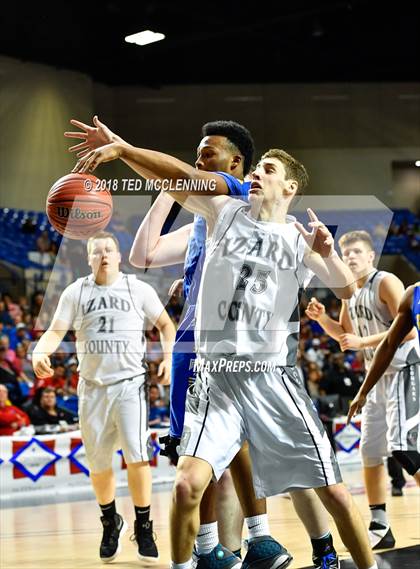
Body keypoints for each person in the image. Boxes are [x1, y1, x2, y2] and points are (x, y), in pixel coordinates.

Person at [72, 142, 377, 569]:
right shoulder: (223, 212)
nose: (256, 174)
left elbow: (347, 288)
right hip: (216, 380)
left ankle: (347, 557)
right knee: (185, 487)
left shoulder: (296, 237)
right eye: (257, 169)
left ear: (289, 187)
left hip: (271, 380)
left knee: (334, 493)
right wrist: (123, 150)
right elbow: (173, 176)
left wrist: (327, 255)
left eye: (267, 170)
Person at [32, 231, 176, 563]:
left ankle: (143, 525)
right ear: (88, 259)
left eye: (109, 250)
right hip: (92, 387)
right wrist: (40, 352)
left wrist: (167, 358)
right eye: (97, 252)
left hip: (130, 384)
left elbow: (166, 325)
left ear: (119, 255)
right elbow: (55, 331)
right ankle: (110, 521)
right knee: (98, 465)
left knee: (138, 457)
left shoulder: (138, 289)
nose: (104, 255)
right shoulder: (75, 292)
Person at [306, 233, 420, 550]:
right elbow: (345, 336)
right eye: (346, 253)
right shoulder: (348, 294)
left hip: (404, 370)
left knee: (404, 450)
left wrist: (361, 343)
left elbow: (408, 330)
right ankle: (380, 524)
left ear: (371, 256)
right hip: (375, 377)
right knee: (369, 451)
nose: (351, 257)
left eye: (356, 252)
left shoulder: (386, 281)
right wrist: (322, 319)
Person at [347, 281, 420, 482]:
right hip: (409, 373)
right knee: (401, 449)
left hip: (409, 370)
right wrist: (363, 391)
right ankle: (378, 513)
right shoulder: (413, 294)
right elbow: (388, 344)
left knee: (402, 447)